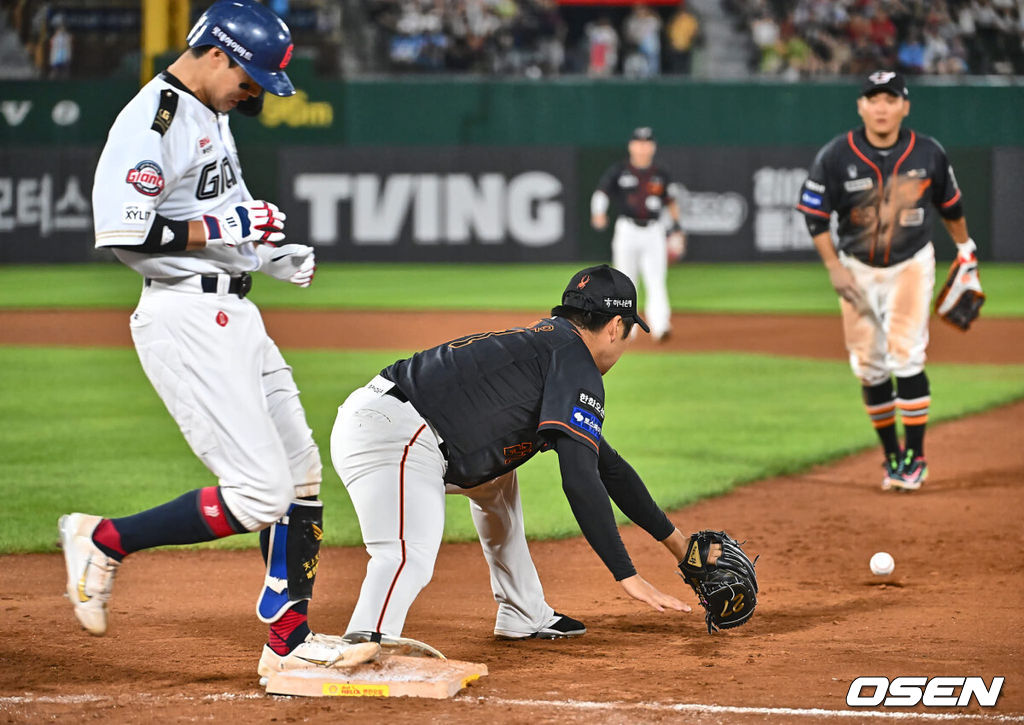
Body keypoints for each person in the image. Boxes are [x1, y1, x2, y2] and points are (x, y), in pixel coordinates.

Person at [58, 0, 379, 679]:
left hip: (235, 313)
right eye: (251, 77)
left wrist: (265, 255)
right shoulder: (154, 120)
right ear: (215, 54)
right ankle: (104, 539)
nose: (255, 91)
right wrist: (224, 227)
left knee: (301, 477)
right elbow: (123, 233)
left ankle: (287, 644)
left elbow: (213, 221)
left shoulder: (210, 112)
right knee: (262, 492)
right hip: (185, 321)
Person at [331, 265, 709, 644]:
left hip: (393, 422)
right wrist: (627, 575)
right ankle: (365, 642)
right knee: (406, 556)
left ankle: (523, 610)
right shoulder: (576, 363)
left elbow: (605, 465)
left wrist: (679, 545)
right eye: (629, 332)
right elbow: (579, 478)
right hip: (394, 434)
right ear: (614, 326)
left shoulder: (552, 345)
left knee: (495, 483)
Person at [796, 70, 978, 492]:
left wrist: (966, 249)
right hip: (856, 268)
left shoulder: (928, 153)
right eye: (873, 99)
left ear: (904, 106)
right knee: (869, 366)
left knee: (907, 354)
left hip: (910, 263)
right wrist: (833, 267)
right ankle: (892, 456)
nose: (881, 107)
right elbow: (815, 215)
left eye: (889, 99)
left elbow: (950, 206)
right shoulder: (837, 155)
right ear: (861, 106)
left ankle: (915, 458)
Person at [590, 127, 684, 342]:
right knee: (625, 279)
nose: (643, 147)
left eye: (647, 143)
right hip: (627, 229)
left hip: (653, 230)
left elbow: (671, 202)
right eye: (639, 143)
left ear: (653, 147)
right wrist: (598, 212)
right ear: (631, 146)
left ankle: (660, 327)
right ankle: (626, 329)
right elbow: (601, 192)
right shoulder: (620, 170)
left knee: (656, 280)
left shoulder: (661, 173)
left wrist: (677, 228)